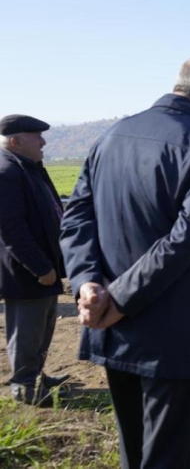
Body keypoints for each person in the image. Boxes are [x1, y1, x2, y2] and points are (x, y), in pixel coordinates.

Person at [59, 55, 190, 468]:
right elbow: (185, 239)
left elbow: (76, 216)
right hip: (171, 335)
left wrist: (88, 284)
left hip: (110, 326)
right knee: (171, 455)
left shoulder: (112, 135)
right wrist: (117, 299)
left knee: (133, 451)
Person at [0, 114, 69, 406]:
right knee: (27, 331)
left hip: (44, 267)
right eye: (36, 136)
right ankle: (24, 388)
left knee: (43, 327)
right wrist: (40, 266)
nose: (42, 142)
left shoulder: (28, 168)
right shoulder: (6, 172)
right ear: (15, 141)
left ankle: (37, 376)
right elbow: (11, 229)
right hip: (27, 272)